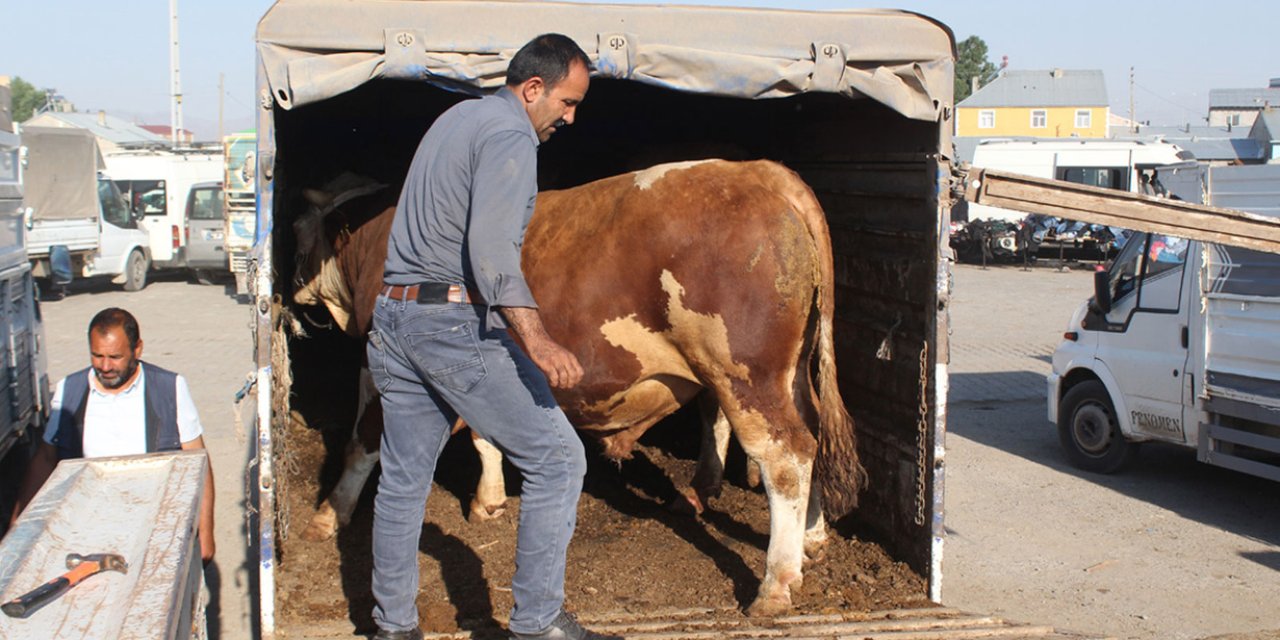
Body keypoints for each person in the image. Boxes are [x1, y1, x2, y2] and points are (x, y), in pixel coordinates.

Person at [368, 34, 618, 640]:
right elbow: (490, 252)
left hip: (396, 317)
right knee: (559, 459)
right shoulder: (509, 134)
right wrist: (536, 339)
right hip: (453, 324)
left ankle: (393, 626)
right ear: (533, 88)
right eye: (566, 101)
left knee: (403, 478)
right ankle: (538, 623)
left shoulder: (457, 117)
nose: (570, 116)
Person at [8, 307, 216, 563]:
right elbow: (45, 458)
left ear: (137, 349)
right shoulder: (69, 391)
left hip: (154, 529)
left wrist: (205, 534)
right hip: (87, 530)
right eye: (97, 356)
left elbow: (198, 462)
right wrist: (18, 526)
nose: (105, 366)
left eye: (115, 357)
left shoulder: (170, 388)